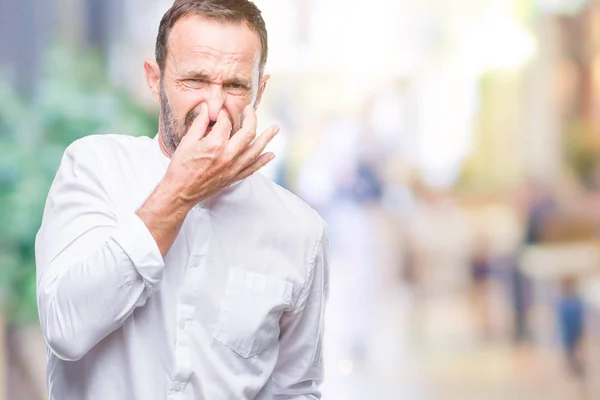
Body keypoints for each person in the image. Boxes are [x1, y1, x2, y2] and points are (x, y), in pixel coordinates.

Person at [34, 1, 330, 399]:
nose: (213, 105)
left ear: (259, 90)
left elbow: (295, 388)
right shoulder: (94, 168)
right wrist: (180, 190)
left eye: (235, 85)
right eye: (195, 80)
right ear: (154, 80)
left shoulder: (300, 229)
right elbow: (63, 328)